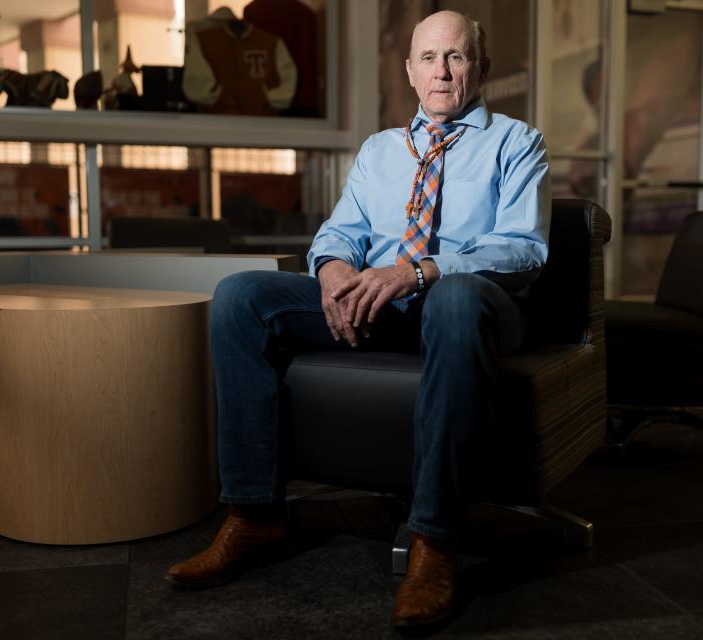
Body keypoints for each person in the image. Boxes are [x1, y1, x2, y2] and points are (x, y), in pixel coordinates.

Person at [167, 9, 549, 630]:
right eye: (428, 58)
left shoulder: (517, 142)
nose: (442, 71)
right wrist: (333, 273)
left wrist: (422, 270)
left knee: (453, 300)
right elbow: (340, 231)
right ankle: (254, 516)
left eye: (455, 57)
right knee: (241, 296)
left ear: (481, 67)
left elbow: (523, 249)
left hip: (468, 305)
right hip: (380, 305)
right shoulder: (380, 150)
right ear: (409, 71)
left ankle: (434, 540)